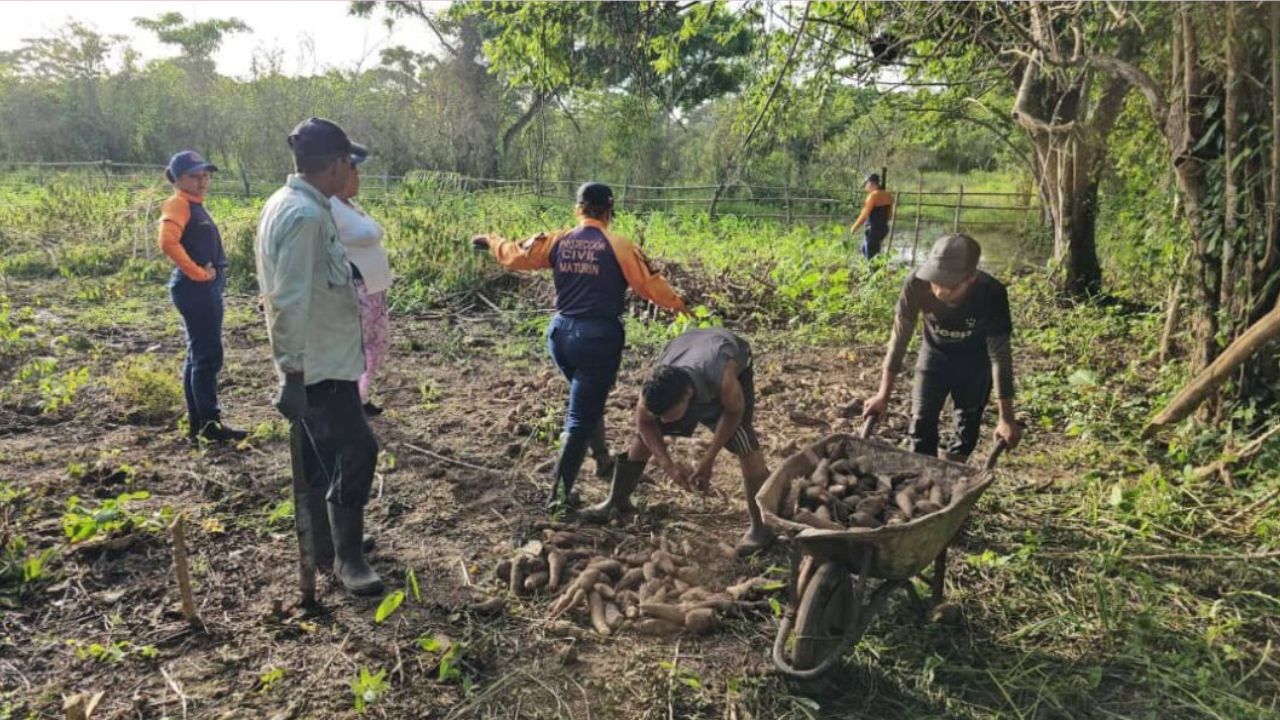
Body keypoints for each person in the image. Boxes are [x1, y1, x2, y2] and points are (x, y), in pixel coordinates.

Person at [471, 182, 686, 511]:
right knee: (580, 416)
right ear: (609, 212)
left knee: (587, 399)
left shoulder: (556, 240)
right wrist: (681, 307)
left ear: (578, 210)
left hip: (560, 336)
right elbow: (651, 286)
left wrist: (490, 241)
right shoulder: (619, 245)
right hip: (597, 339)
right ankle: (557, 499)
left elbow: (515, 255)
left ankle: (601, 459)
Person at [255, 117, 382, 596]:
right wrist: (291, 373)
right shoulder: (304, 216)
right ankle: (348, 561)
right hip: (317, 364)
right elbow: (287, 298)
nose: (349, 170)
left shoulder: (297, 204)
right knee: (357, 450)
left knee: (322, 457)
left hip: (326, 356)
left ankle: (328, 547)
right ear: (333, 164)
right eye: (346, 162)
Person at [584, 327, 773, 556]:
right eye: (659, 415)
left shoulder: (723, 377)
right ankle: (616, 501)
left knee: (744, 443)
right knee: (642, 440)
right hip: (687, 347)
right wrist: (668, 465)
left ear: (687, 397)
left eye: (667, 416)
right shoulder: (655, 387)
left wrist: (708, 460)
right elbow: (645, 424)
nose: (663, 421)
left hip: (724, 354)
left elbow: (734, 412)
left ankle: (761, 527)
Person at [862, 234, 1023, 463]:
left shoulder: (991, 293)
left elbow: (1000, 354)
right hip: (934, 355)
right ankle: (921, 473)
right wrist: (882, 394)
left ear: (971, 278)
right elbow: (899, 338)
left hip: (975, 361)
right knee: (921, 422)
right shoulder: (916, 284)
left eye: (950, 285)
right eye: (935, 281)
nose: (940, 292)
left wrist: (1006, 418)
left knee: (967, 426)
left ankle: (951, 472)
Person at [157, 150, 247, 444]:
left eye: (205, 175)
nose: (202, 181)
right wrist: (197, 273)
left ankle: (200, 423)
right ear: (178, 178)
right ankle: (210, 424)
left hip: (202, 287)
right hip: (196, 289)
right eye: (194, 176)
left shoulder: (194, 205)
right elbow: (167, 242)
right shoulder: (178, 203)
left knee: (198, 355)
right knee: (208, 357)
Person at [330, 149, 392, 417]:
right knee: (355, 349)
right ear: (342, 173)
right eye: (356, 170)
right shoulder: (327, 207)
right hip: (354, 291)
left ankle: (359, 395)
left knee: (376, 345)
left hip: (373, 290)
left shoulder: (349, 206)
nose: (360, 176)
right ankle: (350, 403)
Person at [849, 173, 894, 260]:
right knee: (864, 249)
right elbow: (889, 215)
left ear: (871, 184)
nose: (865, 186)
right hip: (884, 228)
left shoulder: (873, 196)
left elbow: (864, 214)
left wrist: (854, 227)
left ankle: (874, 272)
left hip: (873, 229)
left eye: (866, 184)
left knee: (871, 256)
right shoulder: (888, 195)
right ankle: (875, 270)